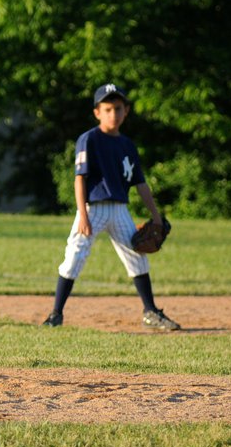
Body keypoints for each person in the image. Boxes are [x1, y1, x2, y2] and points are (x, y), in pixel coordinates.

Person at [44, 83, 179, 331]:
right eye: (107, 109)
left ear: (126, 111)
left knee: (137, 257)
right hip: (93, 208)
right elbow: (79, 179)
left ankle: (150, 311)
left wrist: (156, 216)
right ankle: (56, 314)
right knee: (75, 256)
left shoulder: (128, 145)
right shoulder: (89, 140)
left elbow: (140, 183)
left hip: (119, 210)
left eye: (118, 108)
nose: (113, 114)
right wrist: (82, 215)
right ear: (97, 112)